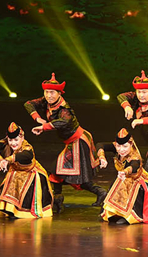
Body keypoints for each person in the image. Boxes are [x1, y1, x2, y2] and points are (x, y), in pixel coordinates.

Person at [25, 73, 104, 213]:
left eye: (52, 93)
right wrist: (37, 118)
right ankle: (58, 198)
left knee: (67, 172)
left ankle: (100, 192)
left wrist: (44, 127)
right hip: (71, 142)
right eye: (46, 92)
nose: (49, 96)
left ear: (59, 93)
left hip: (78, 141)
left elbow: (64, 121)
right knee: (59, 172)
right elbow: (28, 104)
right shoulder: (46, 101)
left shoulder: (64, 109)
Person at [98, 128, 148, 225]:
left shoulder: (134, 156)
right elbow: (100, 145)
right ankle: (117, 214)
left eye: (125, 146)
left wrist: (124, 172)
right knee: (117, 187)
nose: (121, 150)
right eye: (118, 146)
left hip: (137, 181)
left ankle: (129, 216)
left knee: (132, 192)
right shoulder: (117, 148)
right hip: (123, 179)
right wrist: (102, 157)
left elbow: (134, 167)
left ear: (131, 144)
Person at [0, 122, 53, 219]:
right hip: (17, 173)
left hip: (31, 174)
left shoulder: (27, 147)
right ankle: (10, 209)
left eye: (16, 140)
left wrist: (7, 160)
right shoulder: (7, 143)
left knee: (16, 178)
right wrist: (0, 159)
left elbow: (26, 155)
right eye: (10, 140)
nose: (13, 143)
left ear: (22, 138)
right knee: (12, 176)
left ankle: (19, 210)